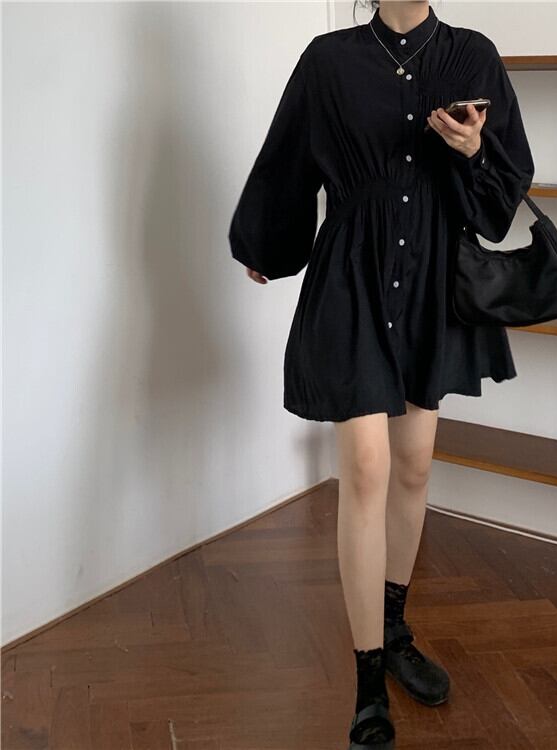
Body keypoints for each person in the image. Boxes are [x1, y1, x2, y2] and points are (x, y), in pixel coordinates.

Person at [228, 1, 534, 746]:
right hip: (353, 278)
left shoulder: (472, 55)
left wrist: (472, 151)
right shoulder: (328, 60)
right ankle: (368, 682)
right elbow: (288, 158)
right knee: (366, 467)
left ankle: (395, 631)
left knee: (415, 464)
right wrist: (265, 242)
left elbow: (504, 195)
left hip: (433, 280)